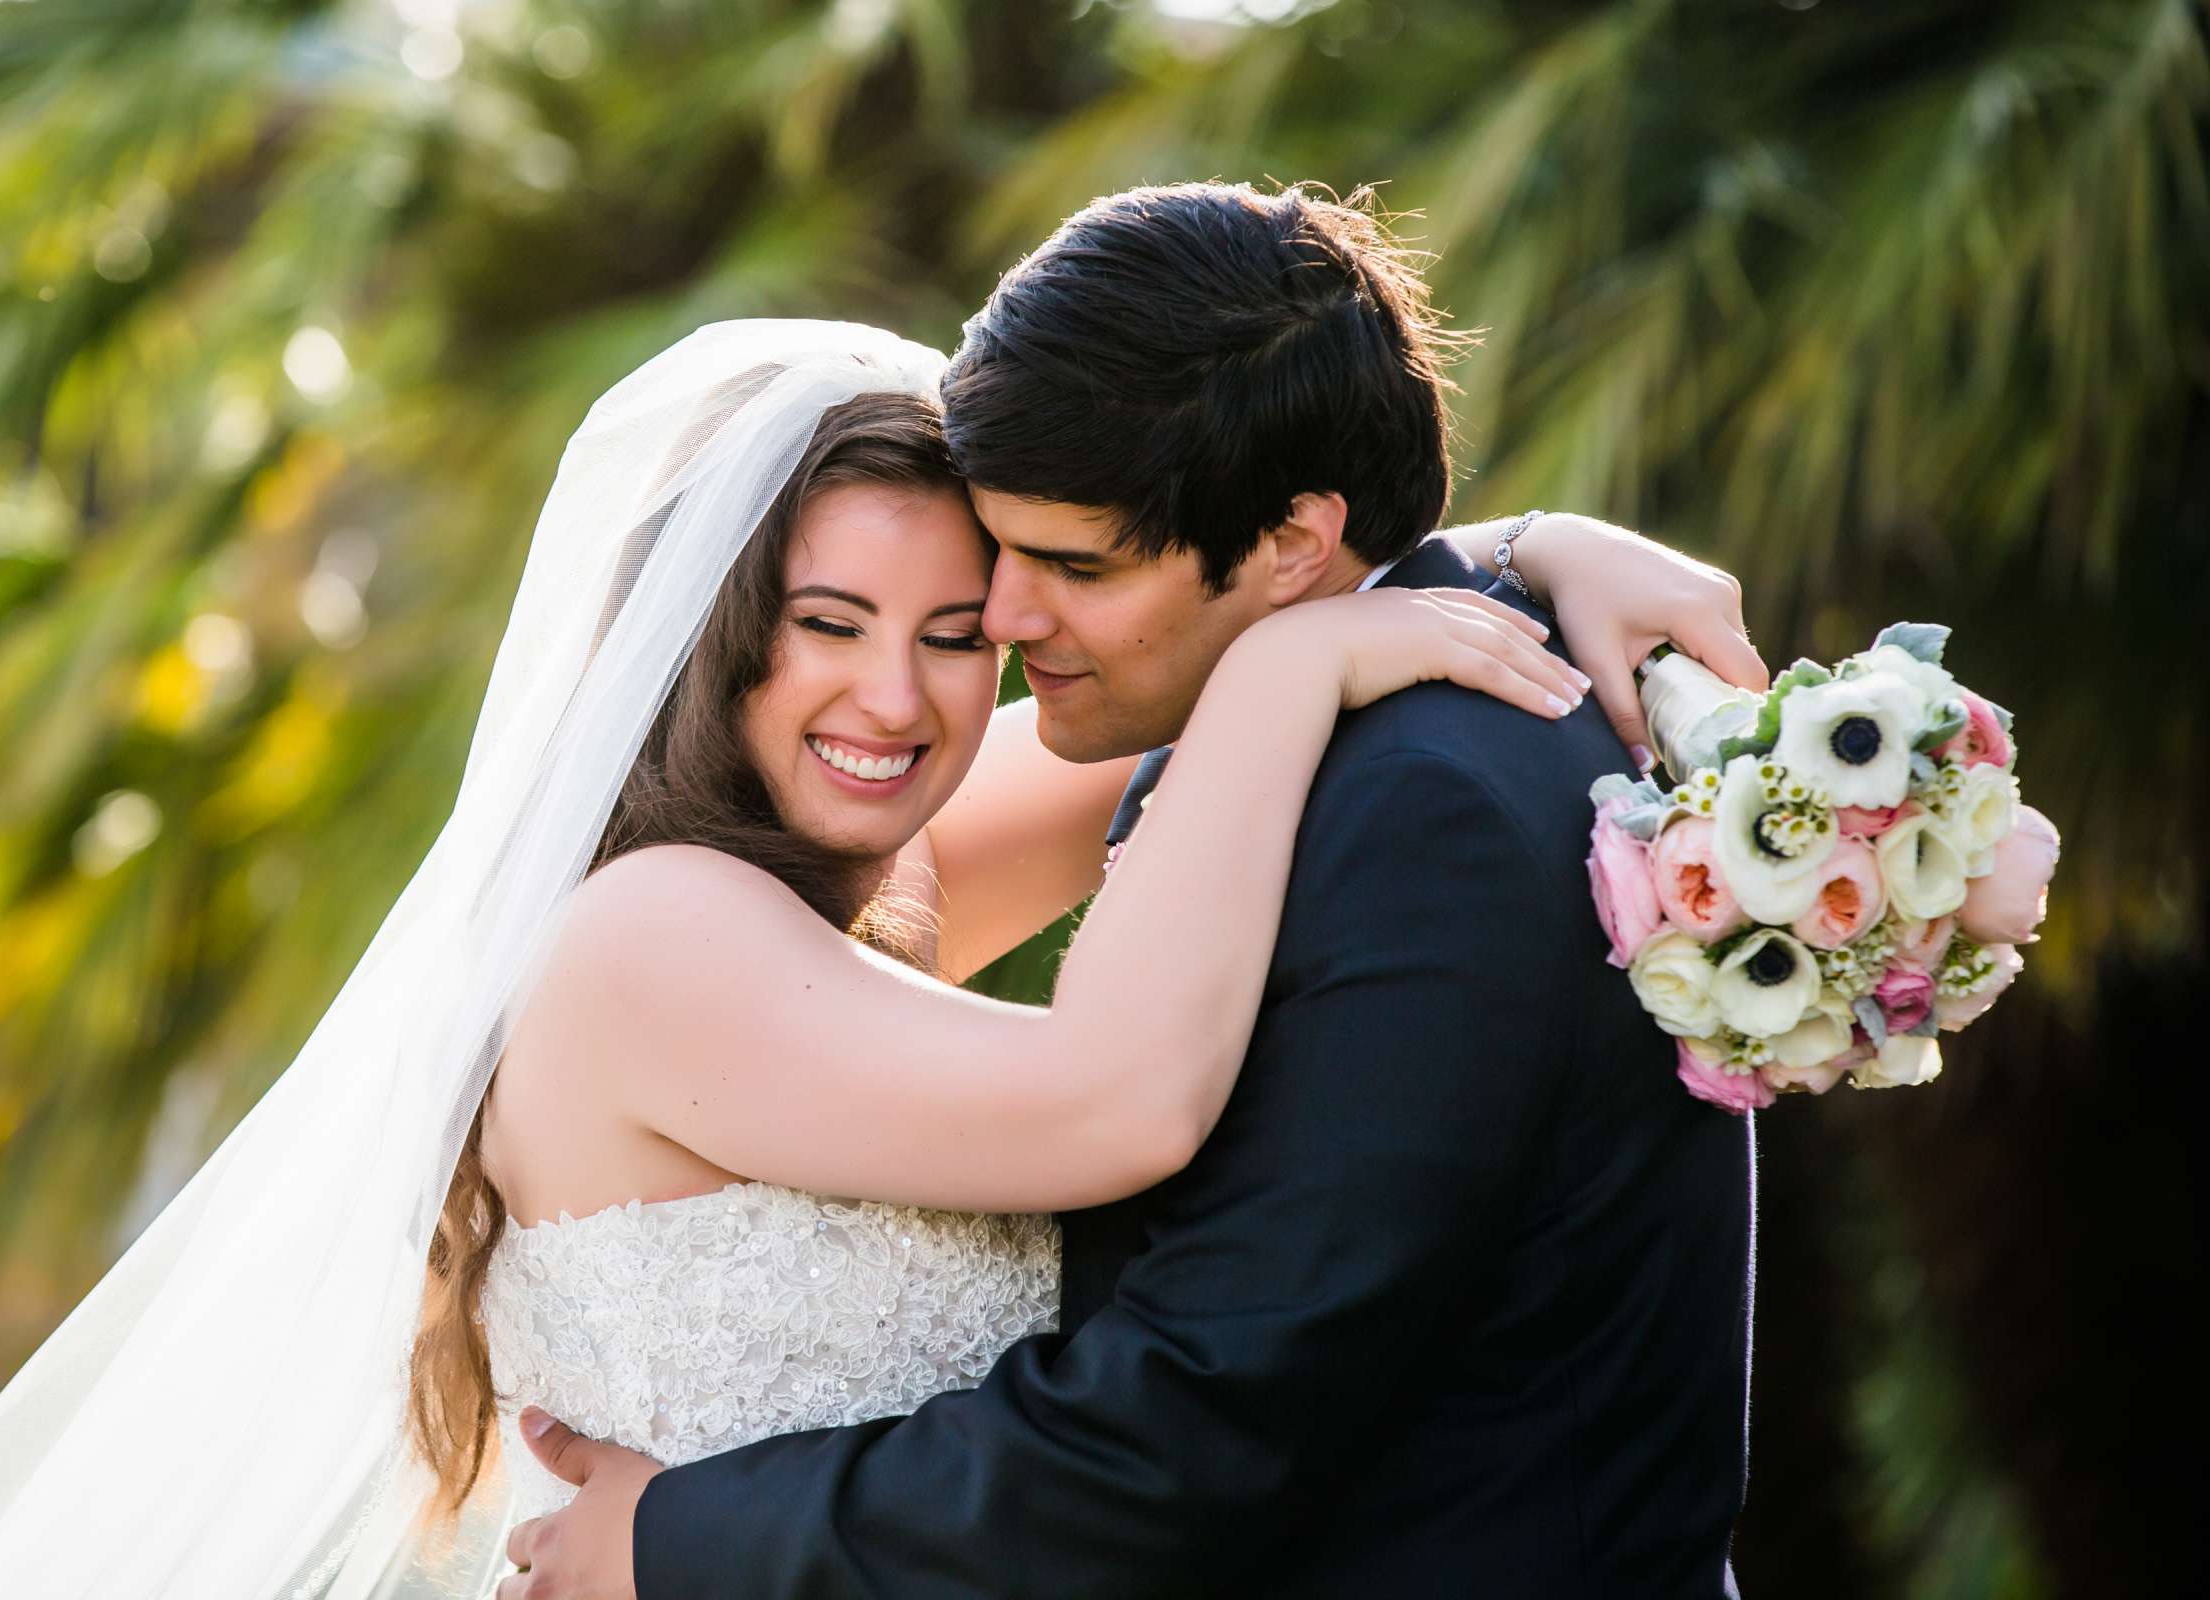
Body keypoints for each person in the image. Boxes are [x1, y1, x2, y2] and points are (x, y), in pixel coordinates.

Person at [500, 184, 1764, 1599]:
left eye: (973, 617)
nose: (997, 642)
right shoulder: (670, 922)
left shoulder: (1414, 797)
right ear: (710, 627)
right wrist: (1444, 587)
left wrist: (1512, 554)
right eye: (827, 623)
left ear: (1291, 546)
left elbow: (1200, 1402)